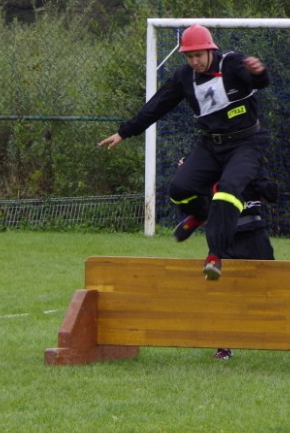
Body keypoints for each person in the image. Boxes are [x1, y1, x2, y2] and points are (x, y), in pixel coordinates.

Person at [99, 24, 271, 281]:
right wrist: (125, 132)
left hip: (247, 143)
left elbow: (259, 82)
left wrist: (259, 73)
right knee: (179, 189)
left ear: (210, 50)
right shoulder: (184, 77)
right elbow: (158, 104)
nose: (194, 62)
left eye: (198, 55)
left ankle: (215, 255)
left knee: (227, 189)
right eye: (189, 57)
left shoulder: (232, 63)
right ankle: (200, 213)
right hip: (211, 145)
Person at [212, 176, 277, 360]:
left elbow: (273, 193)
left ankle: (286, 334)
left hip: (255, 236)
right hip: (224, 238)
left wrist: (256, 176)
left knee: (272, 289)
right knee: (221, 293)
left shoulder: (251, 167)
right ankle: (223, 346)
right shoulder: (211, 167)